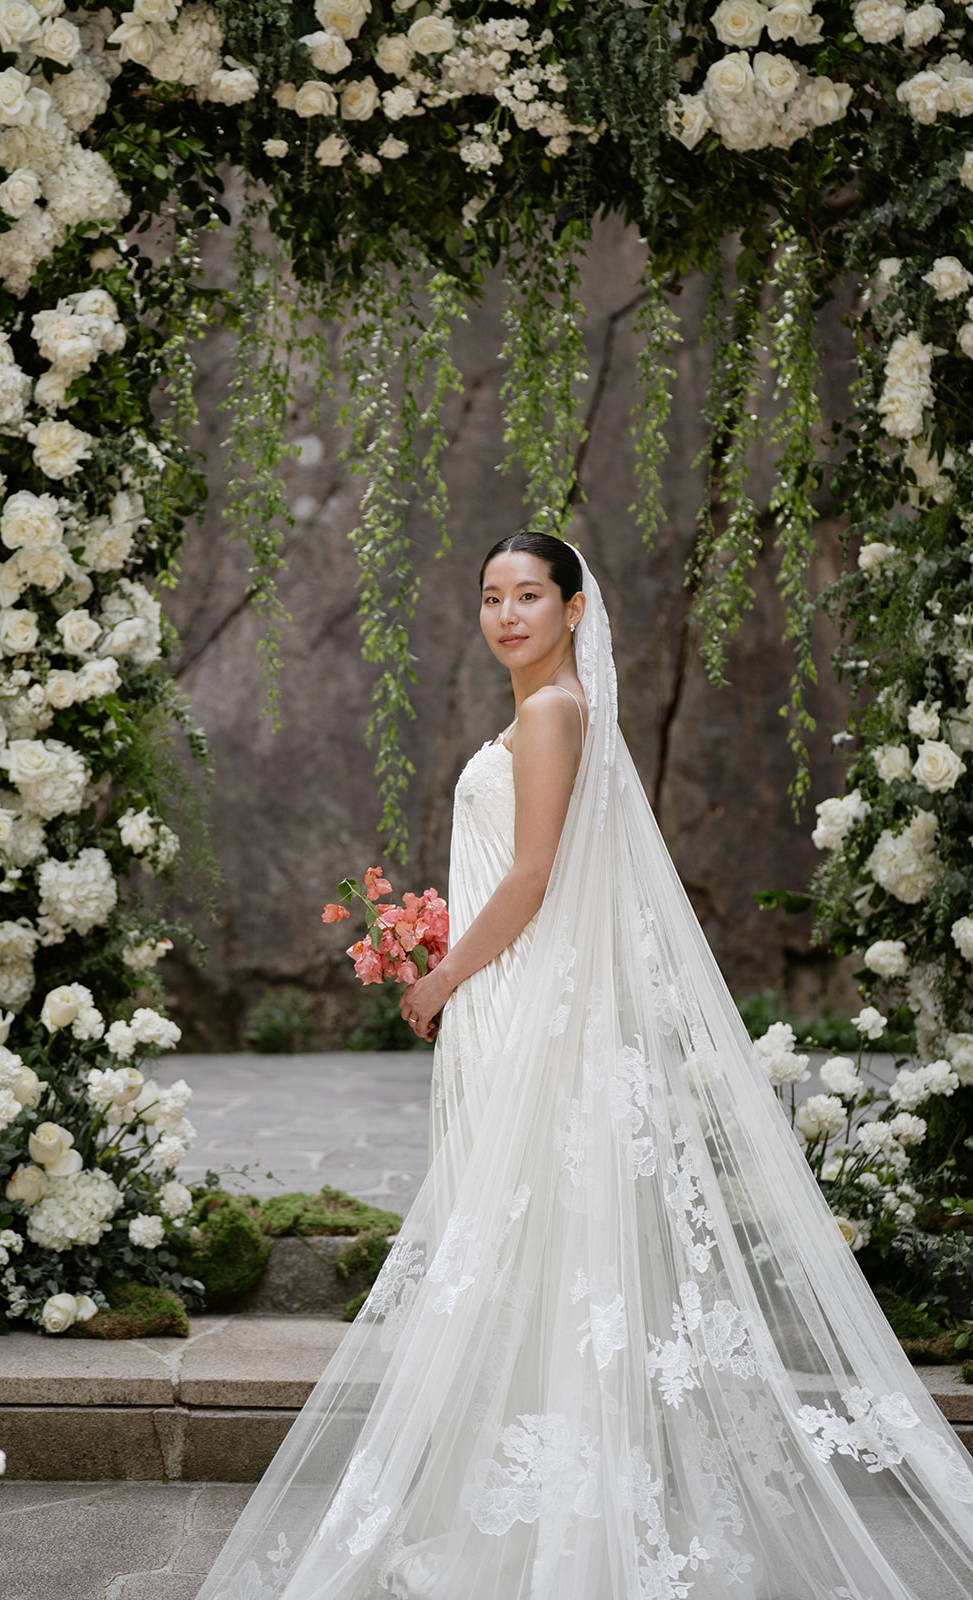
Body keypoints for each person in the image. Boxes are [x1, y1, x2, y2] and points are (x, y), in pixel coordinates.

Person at [197, 535, 973, 1600]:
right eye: (489, 596)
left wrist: (439, 977)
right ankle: (535, 1513)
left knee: (523, 1261)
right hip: (510, 996)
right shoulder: (549, 709)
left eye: (528, 595)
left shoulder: (554, 710)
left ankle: (557, 1540)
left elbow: (528, 878)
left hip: (516, 1004)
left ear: (571, 609)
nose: (506, 613)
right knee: (531, 1263)